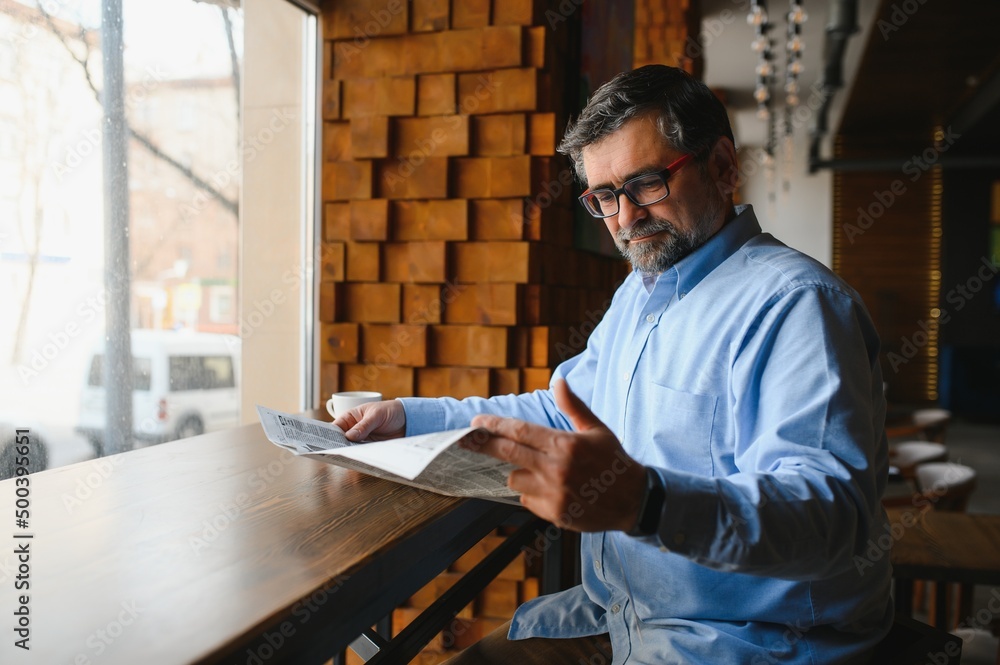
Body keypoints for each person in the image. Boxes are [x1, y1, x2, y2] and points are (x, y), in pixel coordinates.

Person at [333, 64, 893, 664]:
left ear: (724, 167)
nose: (625, 219)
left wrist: (647, 503)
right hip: (622, 615)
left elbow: (837, 516)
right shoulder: (641, 291)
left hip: (747, 642)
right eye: (604, 197)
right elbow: (563, 407)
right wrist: (408, 418)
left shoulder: (797, 305)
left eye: (647, 184)